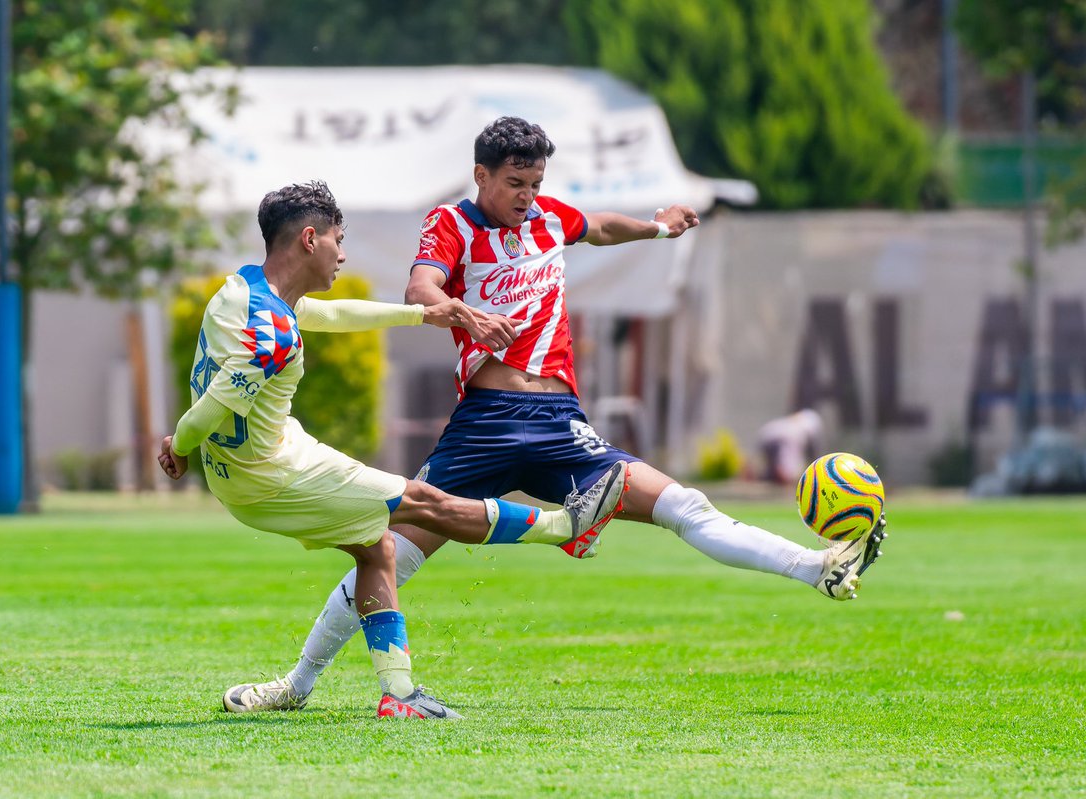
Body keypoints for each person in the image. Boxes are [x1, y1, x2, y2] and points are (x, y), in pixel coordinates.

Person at [258, 117, 887, 714]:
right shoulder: (450, 223)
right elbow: (420, 288)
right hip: (486, 423)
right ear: (481, 176)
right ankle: (297, 683)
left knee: (685, 507)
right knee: (388, 552)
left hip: (561, 424)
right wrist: (464, 312)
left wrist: (658, 228)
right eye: (514, 184)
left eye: (536, 184)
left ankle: (817, 567)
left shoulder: (549, 216)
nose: (528, 197)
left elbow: (599, 226)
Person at [158, 180, 628, 720]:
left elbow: (324, 317)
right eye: (338, 239)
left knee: (378, 549)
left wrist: (424, 314)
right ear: (310, 239)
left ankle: (380, 693)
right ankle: (564, 528)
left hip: (257, 461)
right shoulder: (273, 334)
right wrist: (181, 443)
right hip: (272, 474)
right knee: (425, 503)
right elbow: (219, 403)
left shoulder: (243, 291)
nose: (344, 253)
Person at [758, 409, 824, 485]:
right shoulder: (813, 420)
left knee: (770, 467)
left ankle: (769, 475)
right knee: (788, 475)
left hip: (768, 431)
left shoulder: (800, 417)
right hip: (791, 435)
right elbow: (814, 450)